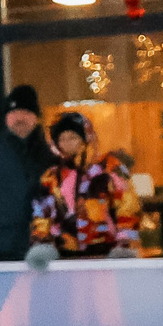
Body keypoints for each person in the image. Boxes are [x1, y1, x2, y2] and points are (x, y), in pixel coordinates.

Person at [30, 110, 143, 258]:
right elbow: (42, 212)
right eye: (62, 139)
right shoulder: (52, 176)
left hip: (106, 254)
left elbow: (127, 206)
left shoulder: (108, 168)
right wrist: (41, 240)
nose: (66, 143)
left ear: (85, 138)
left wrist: (125, 241)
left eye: (72, 137)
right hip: (66, 256)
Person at [0, 85, 57, 260]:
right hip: (1, 247)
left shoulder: (50, 154)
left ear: (35, 117)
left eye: (25, 112)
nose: (19, 118)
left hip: (44, 248)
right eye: (13, 113)